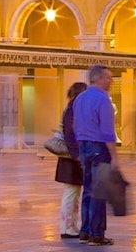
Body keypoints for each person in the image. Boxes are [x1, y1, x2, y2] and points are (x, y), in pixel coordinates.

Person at [72, 65, 119, 246]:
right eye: (108, 77)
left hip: (83, 146)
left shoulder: (80, 98)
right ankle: (97, 234)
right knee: (99, 191)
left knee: (87, 189)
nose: (110, 81)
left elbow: (76, 125)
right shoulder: (103, 99)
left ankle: (85, 231)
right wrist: (114, 155)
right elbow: (108, 132)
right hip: (99, 147)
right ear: (98, 78)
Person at [54, 82, 88, 240]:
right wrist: (77, 155)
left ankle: (71, 226)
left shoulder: (72, 108)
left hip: (71, 157)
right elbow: (70, 134)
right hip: (71, 158)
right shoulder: (73, 109)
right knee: (71, 193)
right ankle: (67, 227)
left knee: (73, 193)